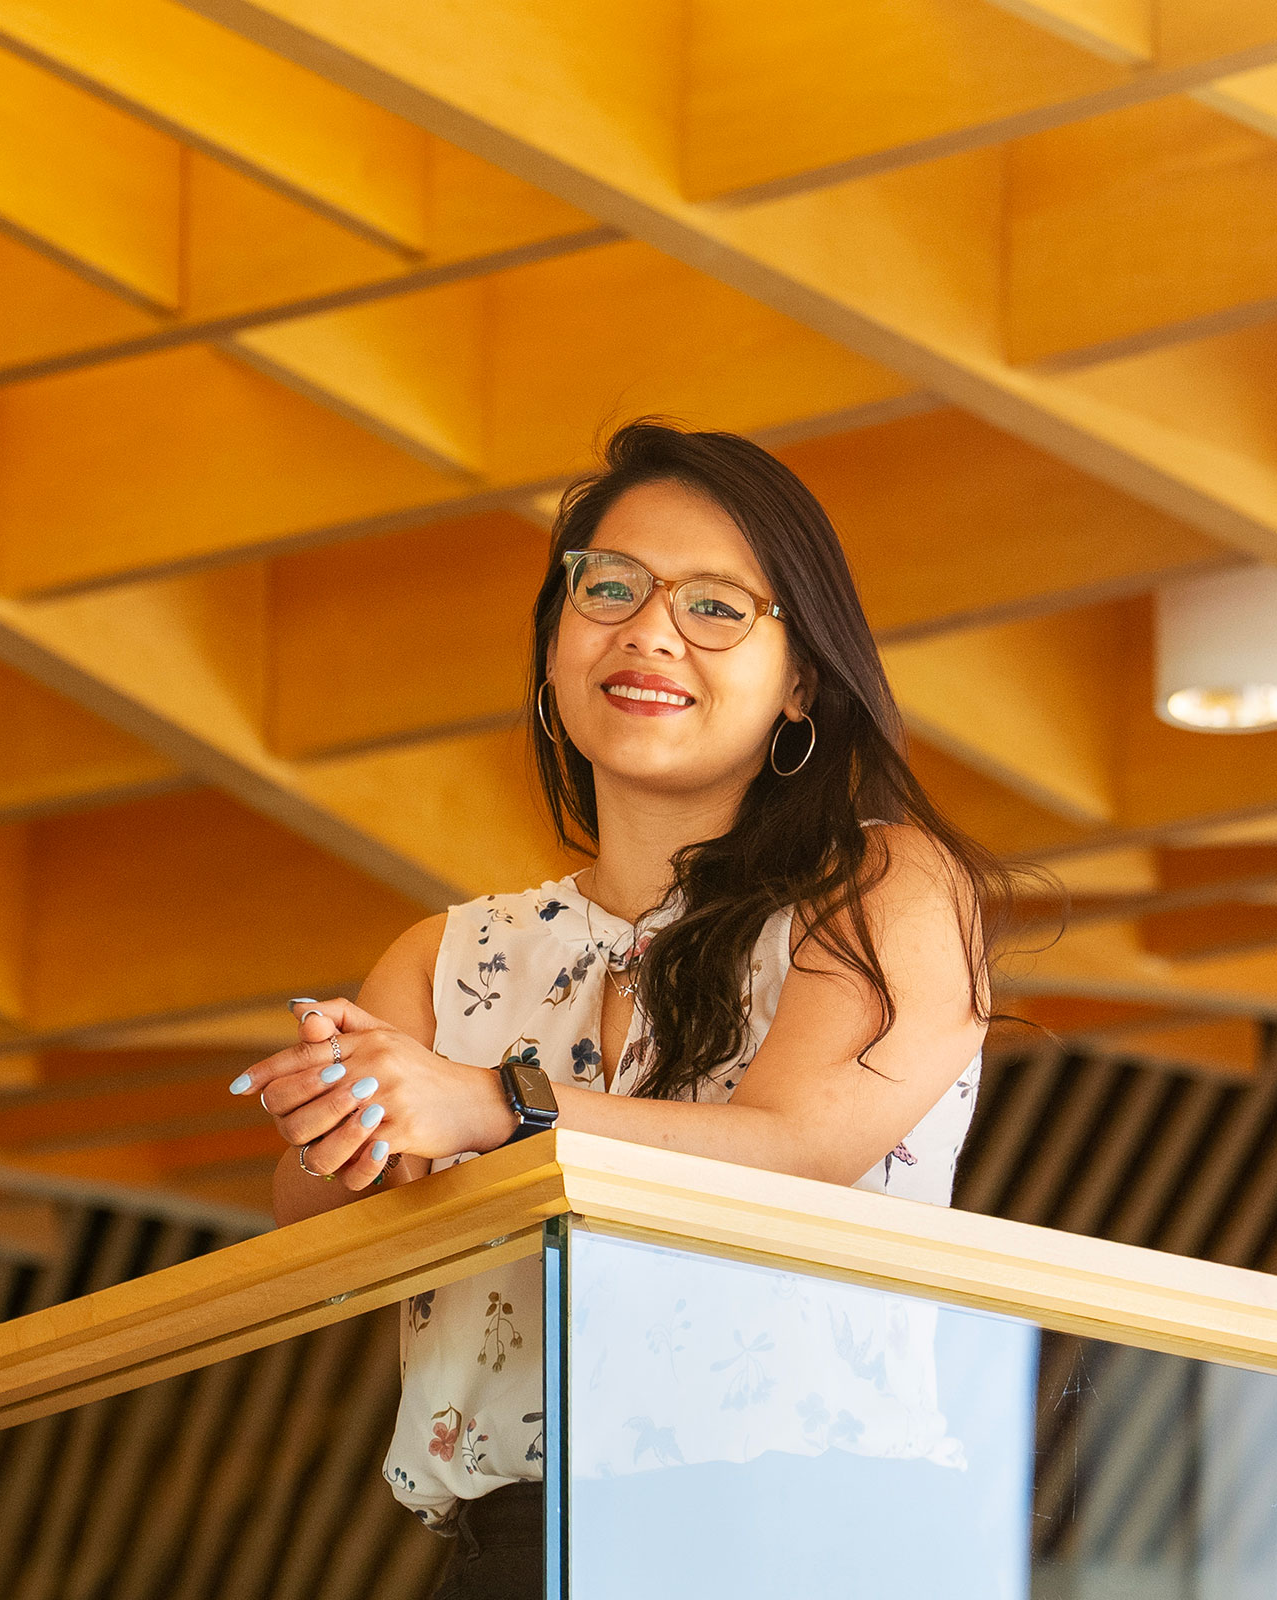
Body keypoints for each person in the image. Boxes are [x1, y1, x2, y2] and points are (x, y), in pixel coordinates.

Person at [224, 420, 1026, 1600]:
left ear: (801, 676)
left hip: (808, 1530)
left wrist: (491, 1106)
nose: (649, 629)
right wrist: (349, 1120)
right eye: (610, 586)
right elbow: (302, 1217)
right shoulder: (450, 956)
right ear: (557, 635)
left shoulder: (881, 887)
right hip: (519, 1546)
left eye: (716, 606)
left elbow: (797, 1147)